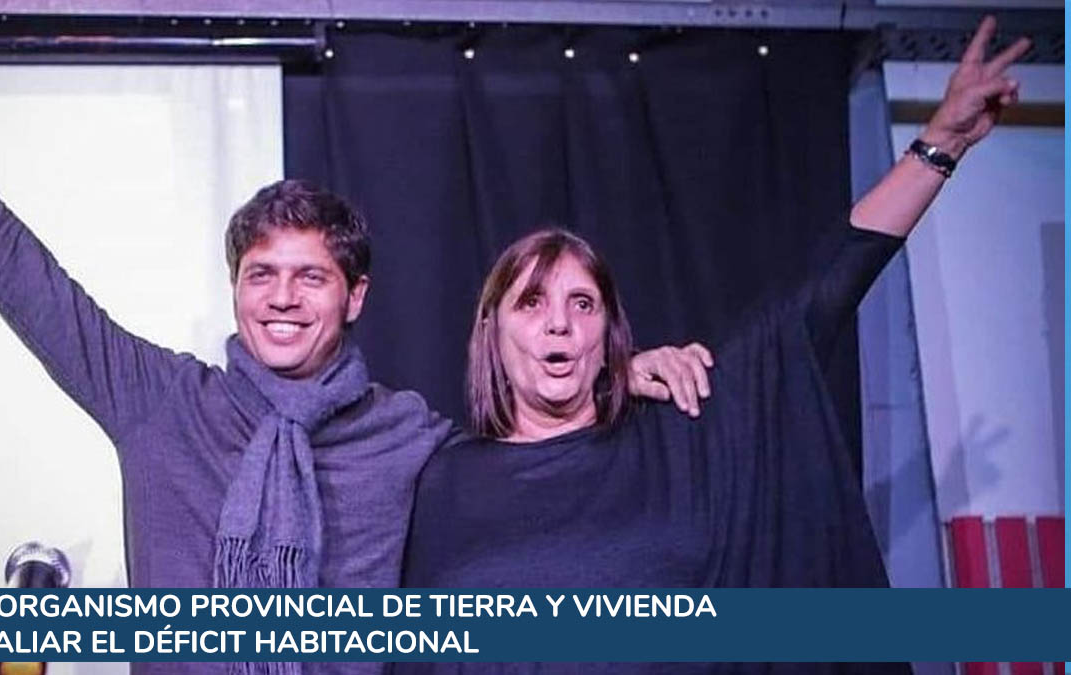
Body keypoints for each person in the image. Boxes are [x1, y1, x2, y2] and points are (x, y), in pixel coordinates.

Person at [0, 0, 708, 633]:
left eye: (311, 276)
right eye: (261, 274)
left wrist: (619, 375)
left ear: (355, 296)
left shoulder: (408, 437)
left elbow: (531, 444)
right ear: (234, 286)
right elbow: (29, 284)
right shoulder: (162, 405)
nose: (281, 296)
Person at [398, 15, 1029, 674]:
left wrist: (938, 147)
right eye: (531, 302)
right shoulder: (445, 479)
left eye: (582, 303)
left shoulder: (683, 432)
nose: (559, 322)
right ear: (492, 332)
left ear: (607, 331)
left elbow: (818, 298)